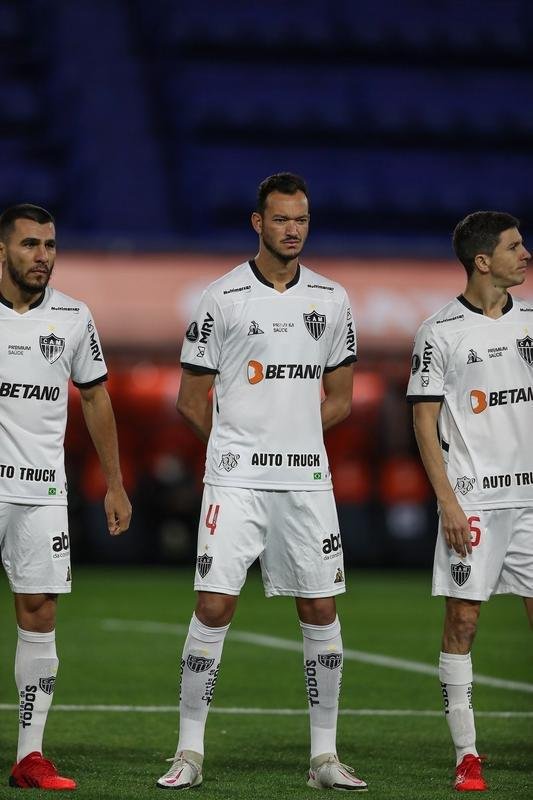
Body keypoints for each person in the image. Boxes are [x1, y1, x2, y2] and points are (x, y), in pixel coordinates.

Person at [157, 173, 366, 791]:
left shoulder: (332, 299)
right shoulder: (222, 298)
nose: (293, 229)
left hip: (306, 482)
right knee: (214, 605)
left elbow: (343, 398)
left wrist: (293, 435)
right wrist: (237, 447)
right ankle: (189, 752)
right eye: (281, 219)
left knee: (320, 607)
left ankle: (324, 758)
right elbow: (191, 402)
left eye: (301, 219)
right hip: (236, 482)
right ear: (258, 223)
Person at [0, 204, 132, 790]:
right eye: (30, 245)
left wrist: (115, 482)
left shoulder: (75, 318)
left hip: (40, 491)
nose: (42, 257)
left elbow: (97, 399)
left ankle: (31, 756)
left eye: (50, 246)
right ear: (2, 250)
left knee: (41, 612)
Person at [406, 211, 532, 792]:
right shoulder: (440, 332)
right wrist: (448, 503)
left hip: (531, 500)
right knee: (463, 619)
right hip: (475, 502)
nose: (525, 254)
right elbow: (424, 421)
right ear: (483, 261)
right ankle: (467, 756)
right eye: (514, 247)